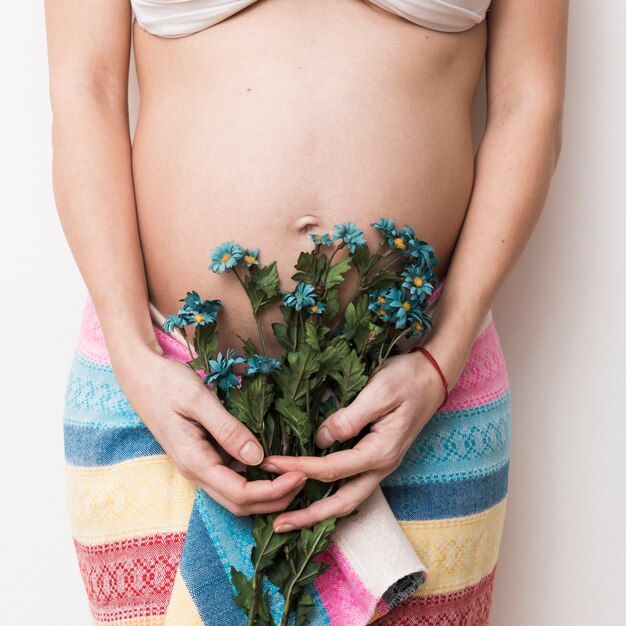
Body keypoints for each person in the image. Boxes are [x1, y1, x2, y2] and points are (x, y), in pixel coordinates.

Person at [45, 0, 568, 624]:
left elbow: (527, 97)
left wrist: (438, 359)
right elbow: (87, 88)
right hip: (166, 394)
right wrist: (133, 356)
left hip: (420, 401)